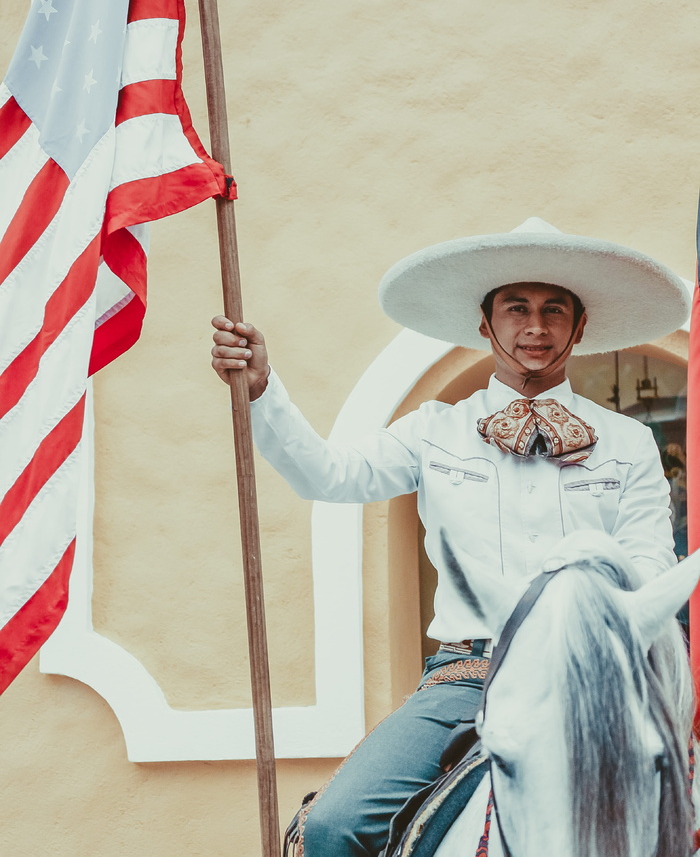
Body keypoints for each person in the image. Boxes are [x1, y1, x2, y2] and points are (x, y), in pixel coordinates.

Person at [210, 218, 690, 857]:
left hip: (589, 674)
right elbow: (329, 475)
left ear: (579, 327)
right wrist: (263, 392)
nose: (535, 327)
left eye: (554, 311)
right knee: (333, 827)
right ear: (485, 325)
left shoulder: (628, 442)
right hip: (469, 671)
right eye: (515, 309)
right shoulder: (435, 429)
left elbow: (652, 560)